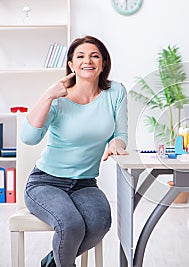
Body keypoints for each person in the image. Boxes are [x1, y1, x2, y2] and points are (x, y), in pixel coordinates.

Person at [21, 35, 128, 267]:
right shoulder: (58, 99)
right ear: (70, 64)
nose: (87, 61)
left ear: (103, 63)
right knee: (71, 224)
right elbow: (29, 138)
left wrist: (115, 146)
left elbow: (120, 135)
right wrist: (48, 95)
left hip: (85, 183)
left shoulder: (116, 92)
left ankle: (51, 262)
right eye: (80, 56)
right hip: (45, 183)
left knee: (100, 222)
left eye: (94, 56)